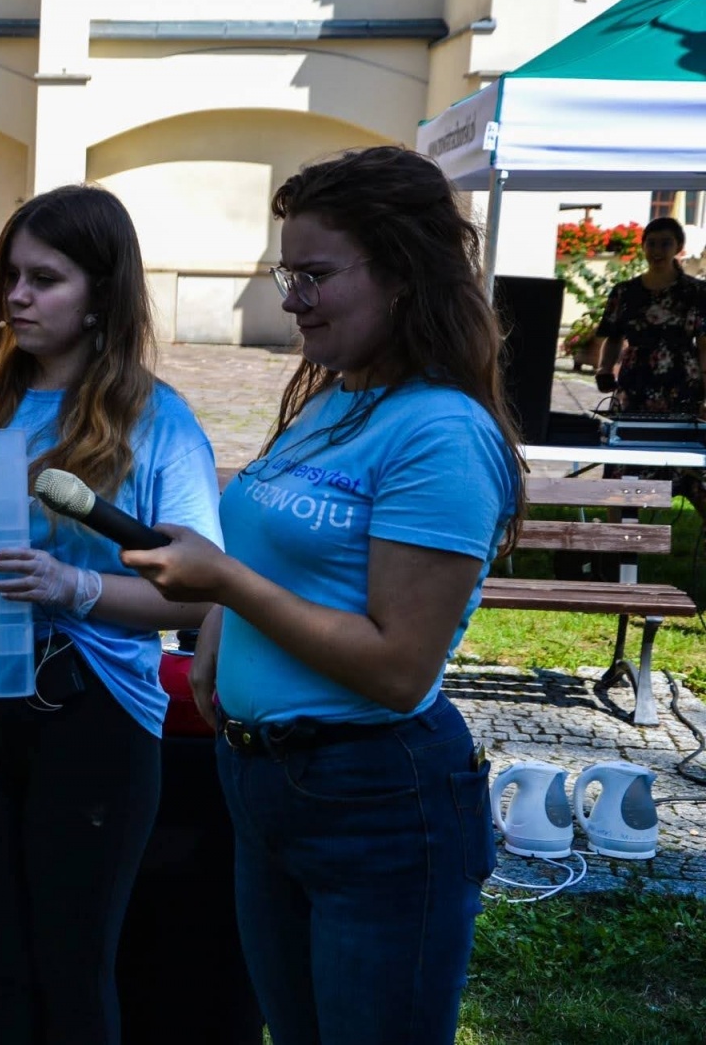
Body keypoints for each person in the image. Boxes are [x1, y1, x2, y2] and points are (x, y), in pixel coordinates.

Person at [120, 146, 525, 1045]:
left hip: (376, 801)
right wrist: (220, 623)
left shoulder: (441, 435)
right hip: (266, 785)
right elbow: (270, 544)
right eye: (285, 271)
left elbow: (397, 667)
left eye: (315, 274)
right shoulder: (337, 397)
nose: (291, 297)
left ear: (404, 276)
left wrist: (224, 585)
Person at [0, 183, 223, 1044]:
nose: (18, 297)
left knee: (71, 972)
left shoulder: (157, 421)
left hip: (96, 719)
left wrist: (77, 589)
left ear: (102, 291)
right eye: (12, 277)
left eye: (47, 279)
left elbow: (198, 591)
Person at [593, 216, 706, 413]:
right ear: (643, 246)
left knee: (679, 441)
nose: (657, 250)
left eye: (665, 243)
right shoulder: (624, 292)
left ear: (678, 247)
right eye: (651, 243)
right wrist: (605, 369)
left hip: (682, 381)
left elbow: (705, 345)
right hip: (634, 380)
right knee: (629, 439)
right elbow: (614, 337)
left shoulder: (697, 292)